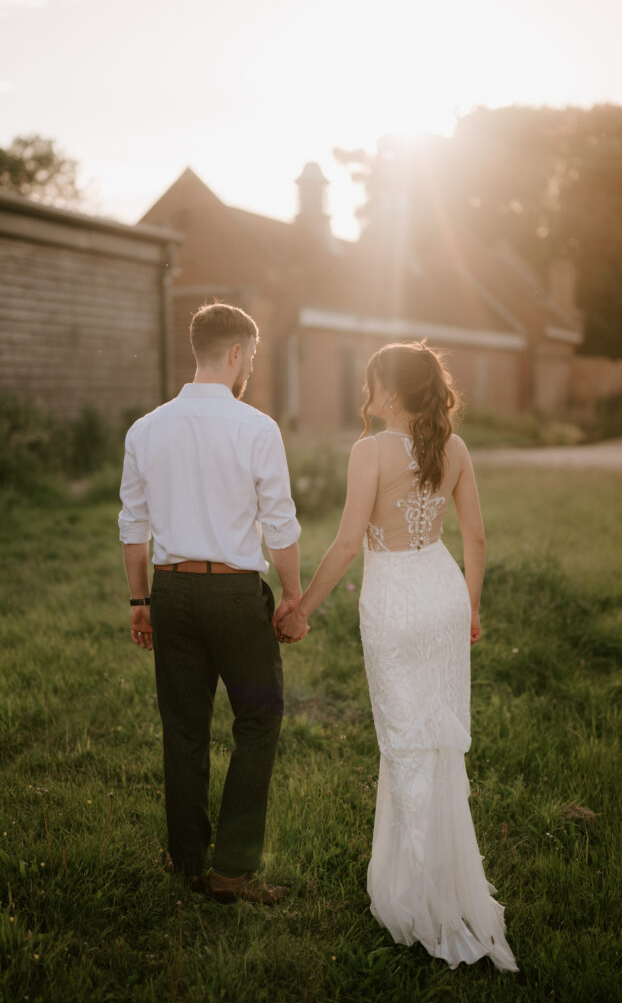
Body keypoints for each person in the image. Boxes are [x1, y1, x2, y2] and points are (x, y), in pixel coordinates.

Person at [279, 341, 518, 971]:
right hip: (442, 593)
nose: (366, 394)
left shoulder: (370, 451)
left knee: (406, 745)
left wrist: (301, 609)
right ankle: (440, 883)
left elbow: (348, 543)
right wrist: (470, 608)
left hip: (394, 602)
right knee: (436, 742)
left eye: (371, 383)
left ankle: (424, 903)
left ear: (390, 390)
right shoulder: (455, 449)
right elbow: (475, 537)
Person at [118, 302, 304, 905]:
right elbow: (280, 524)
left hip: (170, 592)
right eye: (251, 356)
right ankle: (231, 873)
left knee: (183, 728)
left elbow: (133, 524)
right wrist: (293, 595)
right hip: (233, 594)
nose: (250, 368)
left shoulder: (146, 429)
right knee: (258, 720)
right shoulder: (257, 428)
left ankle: (188, 863)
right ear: (235, 353)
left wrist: (139, 599)